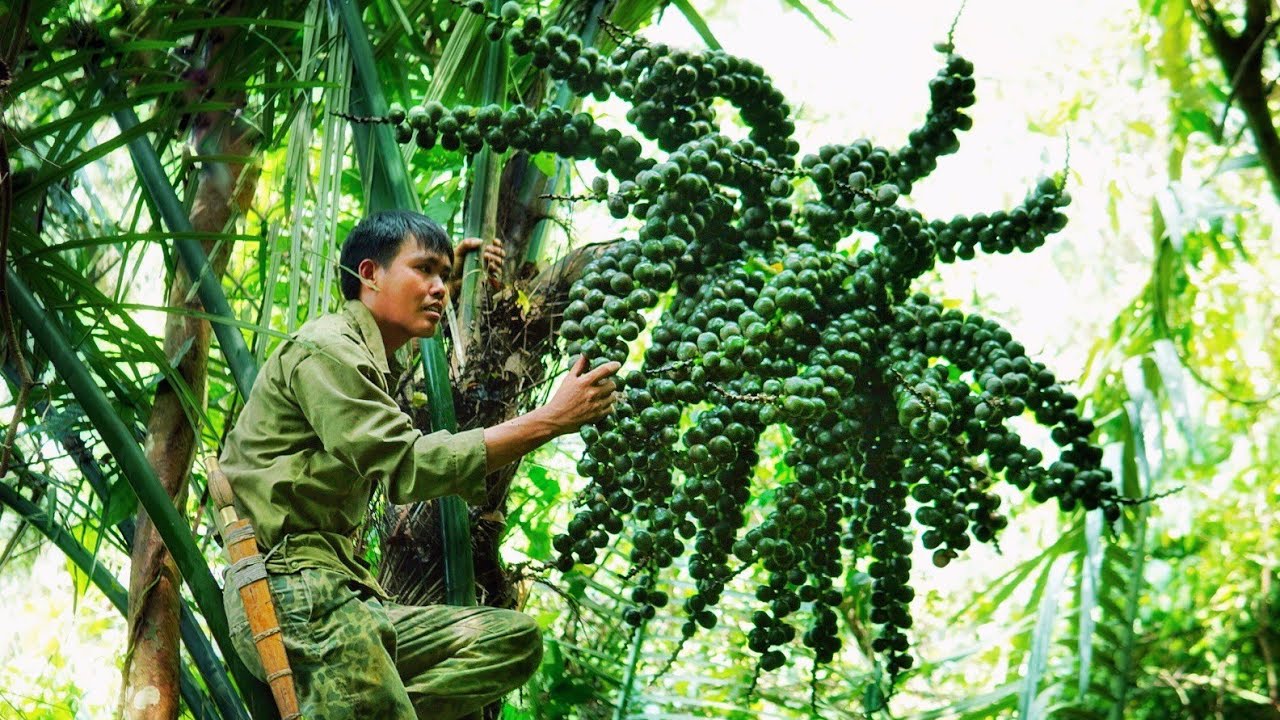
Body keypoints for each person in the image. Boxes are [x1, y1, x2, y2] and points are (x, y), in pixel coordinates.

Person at [220, 210, 620, 719]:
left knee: (510, 641)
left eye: (445, 277)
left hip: (345, 598)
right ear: (369, 274)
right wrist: (550, 419)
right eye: (423, 270)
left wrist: (461, 274)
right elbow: (406, 465)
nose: (440, 289)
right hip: (296, 593)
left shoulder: (366, 360)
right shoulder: (327, 351)